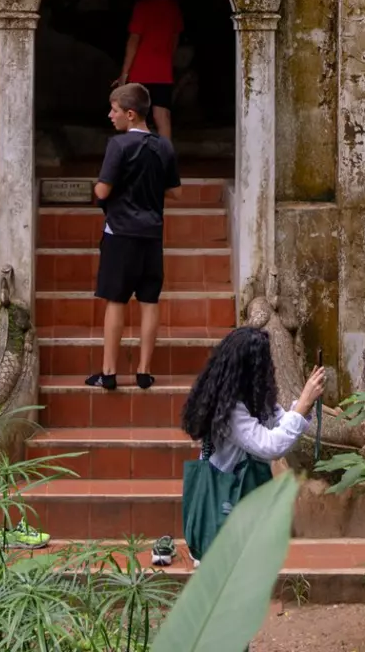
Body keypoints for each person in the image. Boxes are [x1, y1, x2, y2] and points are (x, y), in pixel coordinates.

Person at [171, 326, 326, 566]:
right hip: (223, 504)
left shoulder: (254, 399)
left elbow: (282, 421)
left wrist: (304, 404)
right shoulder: (231, 410)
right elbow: (271, 446)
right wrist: (303, 403)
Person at [86, 83, 179, 393]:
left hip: (120, 233)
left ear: (130, 114)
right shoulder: (164, 146)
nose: (110, 115)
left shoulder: (118, 145)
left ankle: (109, 372)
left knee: (116, 300)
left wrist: (101, 188)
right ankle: (144, 371)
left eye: (114, 110)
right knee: (149, 301)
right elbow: (175, 191)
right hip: (152, 234)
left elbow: (103, 190)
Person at [115, 0, 181, 141]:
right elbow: (175, 38)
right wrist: (168, 60)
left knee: (133, 118)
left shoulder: (142, 7)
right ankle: (165, 155)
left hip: (140, 71)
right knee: (162, 117)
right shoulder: (172, 6)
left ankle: (135, 155)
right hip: (163, 72)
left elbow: (133, 41)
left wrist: (124, 74)